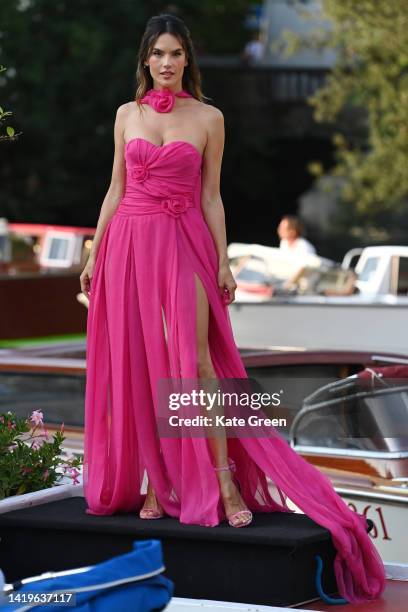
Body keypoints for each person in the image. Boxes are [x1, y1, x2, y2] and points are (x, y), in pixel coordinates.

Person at [80, 14, 385, 603]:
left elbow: (212, 195)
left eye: (176, 54)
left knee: (195, 362)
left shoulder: (210, 118)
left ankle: (225, 485)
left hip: (184, 240)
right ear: (146, 60)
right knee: (142, 362)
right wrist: (96, 249)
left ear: (187, 59)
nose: (167, 63)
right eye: (157, 54)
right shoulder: (126, 115)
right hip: (128, 244)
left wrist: (221, 261)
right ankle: (158, 484)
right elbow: (115, 189)